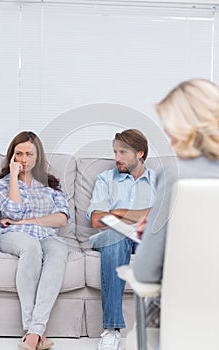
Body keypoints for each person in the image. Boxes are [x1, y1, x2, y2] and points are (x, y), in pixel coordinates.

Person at [132, 78, 219, 349]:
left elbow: (145, 274)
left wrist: (155, 240)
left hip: (179, 328)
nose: (169, 136)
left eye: (171, 128)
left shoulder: (174, 176)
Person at [0, 131, 70, 350]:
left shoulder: (51, 184)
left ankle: (34, 332)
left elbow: (61, 218)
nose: (24, 160)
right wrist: (14, 177)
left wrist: (28, 220)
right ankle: (31, 329)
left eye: (29, 154)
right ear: (12, 157)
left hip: (46, 236)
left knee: (58, 251)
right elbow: (13, 212)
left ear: (38, 157)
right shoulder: (1, 185)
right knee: (31, 247)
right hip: (13, 236)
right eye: (19, 154)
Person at [87, 129, 156, 350]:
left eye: (123, 152)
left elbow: (159, 217)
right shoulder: (106, 179)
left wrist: (118, 212)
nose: (117, 158)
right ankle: (111, 329)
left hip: (145, 238)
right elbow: (97, 220)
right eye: (115, 151)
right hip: (111, 237)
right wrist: (138, 214)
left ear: (140, 154)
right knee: (116, 236)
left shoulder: (157, 181)